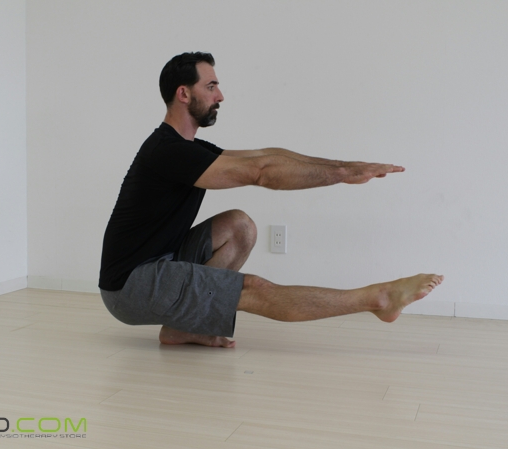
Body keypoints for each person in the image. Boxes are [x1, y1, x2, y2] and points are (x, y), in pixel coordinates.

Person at [99, 52, 443, 348]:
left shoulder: (187, 148)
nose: (220, 96)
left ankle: (183, 327)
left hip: (162, 261)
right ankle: (379, 299)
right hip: (130, 285)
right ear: (184, 94)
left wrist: (343, 166)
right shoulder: (167, 151)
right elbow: (262, 172)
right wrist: (340, 175)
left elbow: (266, 154)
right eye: (211, 86)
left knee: (239, 226)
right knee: (253, 289)